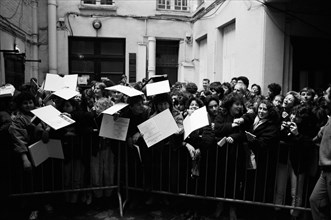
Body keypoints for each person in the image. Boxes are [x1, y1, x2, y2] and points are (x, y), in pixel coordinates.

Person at [309, 83, 331, 220]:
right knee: (315, 201)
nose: (324, 96)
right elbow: (319, 137)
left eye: (327, 94)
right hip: (325, 171)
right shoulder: (330, 119)